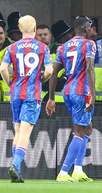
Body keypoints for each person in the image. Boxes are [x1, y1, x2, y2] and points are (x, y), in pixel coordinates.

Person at [0, 15, 53, 183]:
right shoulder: (42, 47)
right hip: (32, 95)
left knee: (17, 131)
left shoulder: (12, 48)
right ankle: (15, 164)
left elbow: (2, 68)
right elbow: (50, 71)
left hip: (15, 94)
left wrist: (10, 84)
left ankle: (17, 170)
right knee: (25, 132)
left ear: (20, 29)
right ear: (35, 29)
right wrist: (40, 79)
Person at [46, 15, 96, 182]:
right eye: (91, 27)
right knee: (80, 132)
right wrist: (93, 95)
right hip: (83, 91)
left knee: (87, 129)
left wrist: (51, 98)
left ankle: (78, 170)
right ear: (86, 28)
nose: (92, 30)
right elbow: (89, 68)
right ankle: (63, 172)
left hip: (68, 91)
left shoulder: (63, 47)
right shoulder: (89, 44)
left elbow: (54, 74)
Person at [50, 20, 74, 102]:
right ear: (62, 37)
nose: (72, 34)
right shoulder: (54, 53)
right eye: (69, 33)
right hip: (59, 98)